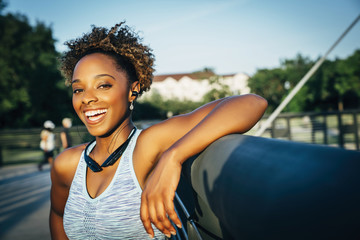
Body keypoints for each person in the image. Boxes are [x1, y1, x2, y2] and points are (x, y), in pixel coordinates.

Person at [50, 22, 268, 240]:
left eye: (103, 85)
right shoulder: (66, 165)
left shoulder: (146, 146)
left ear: (132, 91)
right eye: (78, 89)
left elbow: (251, 104)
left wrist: (173, 156)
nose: (87, 98)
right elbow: (58, 216)